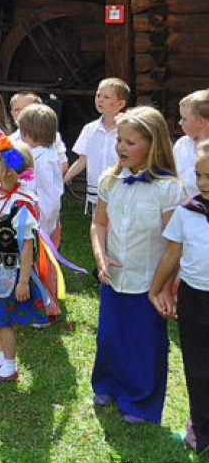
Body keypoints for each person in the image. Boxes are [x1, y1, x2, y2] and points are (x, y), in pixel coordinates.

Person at [90, 106, 185, 424]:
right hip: (114, 277)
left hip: (149, 281)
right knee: (110, 336)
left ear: (152, 144)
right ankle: (107, 385)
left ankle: (141, 402)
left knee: (144, 342)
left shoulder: (168, 188)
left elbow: (175, 242)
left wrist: (163, 286)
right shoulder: (110, 179)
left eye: (130, 142)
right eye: (119, 140)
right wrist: (101, 257)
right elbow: (99, 224)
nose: (121, 147)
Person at [0, 136, 48, 382]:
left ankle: (10, 364)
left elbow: (27, 245)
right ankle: (0, 356)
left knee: (5, 319)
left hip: (11, 270)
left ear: (6, 170)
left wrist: (24, 280)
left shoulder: (20, 202)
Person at [149, 147, 209, 454]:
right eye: (199, 174)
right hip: (195, 297)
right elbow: (173, 251)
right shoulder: (189, 210)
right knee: (197, 365)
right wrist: (157, 288)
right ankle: (200, 428)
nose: (204, 182)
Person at [64, 77, 130, 211]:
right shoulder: (90, 129)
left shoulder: (127, 130)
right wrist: (64, 179)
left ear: (120, 104)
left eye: (106, 97)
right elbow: (82, 160)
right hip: (97, 187)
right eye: (98, 95)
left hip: (121, 186)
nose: (100, 100)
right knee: (98, 224)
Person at [17, 104, 65, 246]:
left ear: (27, 133)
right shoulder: (32, 153)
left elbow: (49, 198)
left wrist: (42, 228)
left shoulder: (45, 160)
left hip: (36, 225)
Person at [173, 89, 209, 196]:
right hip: (183, 208)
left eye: (184, 119)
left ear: (201, 122)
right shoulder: (182, 144)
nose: (180, 123)